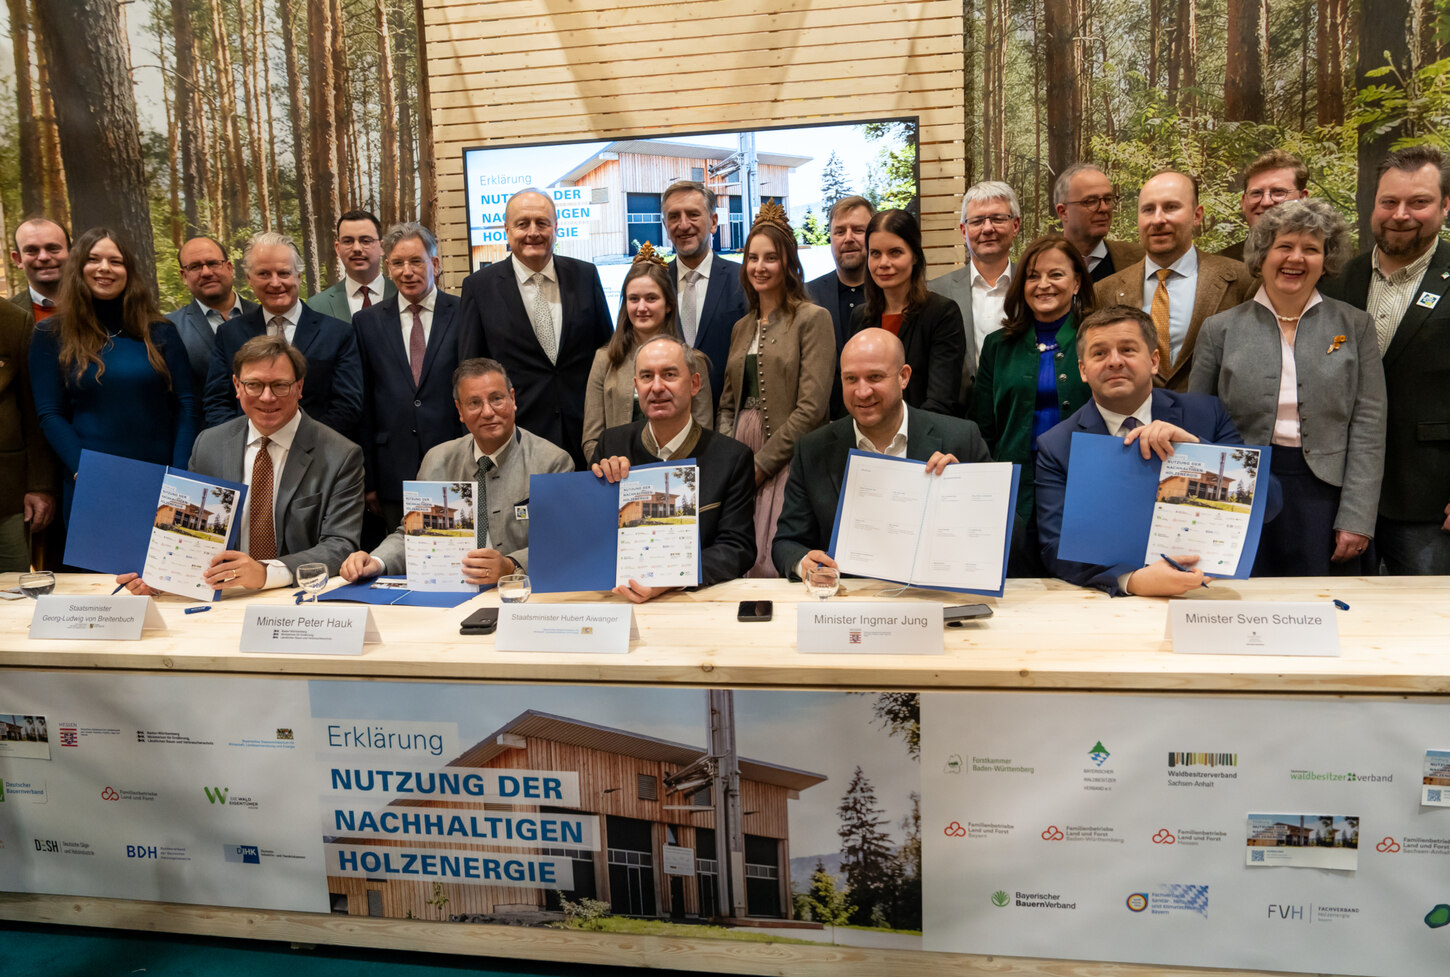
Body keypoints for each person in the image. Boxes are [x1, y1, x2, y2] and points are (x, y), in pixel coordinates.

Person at [1190, 199, 1385, 576]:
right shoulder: (1220, 329)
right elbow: (1200, 425)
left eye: (1311, 249)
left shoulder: (1355, 326)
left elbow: (1369, 426)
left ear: (1325, 260)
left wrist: (1358, 516)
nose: (1296, 258)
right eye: (1285, 246)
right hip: (1238, 492)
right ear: (1262, 255)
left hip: (1325, 497)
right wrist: (1205, 514)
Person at [1036, 306, 1280, 596]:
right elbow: (1055, 547)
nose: (1114, 362)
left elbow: (1270, 505)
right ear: (1082, 370)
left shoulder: (1206, 415)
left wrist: (1197, 450)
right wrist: (1131, 580)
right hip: (1111, 600)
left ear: (1153, 361)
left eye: (1127, 350)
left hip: (1209, 589)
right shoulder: (1057, 445)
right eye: (1099, 353)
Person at [118, 336, 364, 594]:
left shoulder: (341, 454)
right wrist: (161, 576)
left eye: (280, 385)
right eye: (254, 385)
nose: (267, 397)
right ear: (237, 386)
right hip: (223, 595)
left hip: (297, 596)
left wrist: (266, 572)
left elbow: (340, 545)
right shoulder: (208, 444)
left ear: (299, 386)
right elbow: (189, 534)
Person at [1321, 144, 1450, 574]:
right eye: (1389, 202)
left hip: (1427, 499)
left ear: (1445, 205)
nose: (1400, 214)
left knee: (1424, 627)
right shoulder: (1337, 280)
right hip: (1339, 496)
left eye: (1419, 202)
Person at [772, 329, 991, 579]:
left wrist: (968, 495)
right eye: (851, 379)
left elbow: (1014, 542)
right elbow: (786, 544)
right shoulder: (812, 450)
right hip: (849, 604)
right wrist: (803, 564)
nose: (862, 392)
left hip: (938, 600)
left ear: (903, 377)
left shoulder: (960, 438)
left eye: (875, 377)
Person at [340, 357, 573, 586]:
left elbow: (561, 541)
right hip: (452, 591)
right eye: (474, 403)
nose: (488, 412)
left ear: (512, 399)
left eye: (497, 399)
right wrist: (376, 561)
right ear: (459, 410)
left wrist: (511, 565)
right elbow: (414, 537)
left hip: (522, 590)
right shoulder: (438, 461)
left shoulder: (551, 463)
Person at [29, 228, 197, 521]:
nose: (104, 268)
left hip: (163, 483)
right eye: (93, 259)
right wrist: (85, 470)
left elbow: (187, 404)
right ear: (78, 268)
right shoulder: (50, 333)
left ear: (128, 272)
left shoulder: (160, 331)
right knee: (102, 570)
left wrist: (180, 474)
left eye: (115, 261)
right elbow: (49, 413)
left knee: (164, 567)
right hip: (92, 483)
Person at [455, 188, 613, 470]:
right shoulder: (479, 287)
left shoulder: (585, 275)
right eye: (522, 223)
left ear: (555, 228)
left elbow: (608, 352)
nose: (533, 232)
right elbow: (471, 369)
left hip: (587, 435)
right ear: (506, 229)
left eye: (542, 223)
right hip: (516, 441)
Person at [717, 201, 834, 577]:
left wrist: (761, 464)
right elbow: (727, 404)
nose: (759, 267)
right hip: (740, 450)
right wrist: (726, 462)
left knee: (776, 557)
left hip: (789, 455)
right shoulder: (740, 328)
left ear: (788, 264)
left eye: (771, 257)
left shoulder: (812, 319)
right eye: (752, 257)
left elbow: (812, 408)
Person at [590, 336, 755, 600]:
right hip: (618, 597)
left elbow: (737, 548)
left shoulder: (732, 457)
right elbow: (592, 538)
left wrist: (671, 580)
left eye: (669, 375)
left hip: (695, 601)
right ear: (636, 386)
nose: (656, 387)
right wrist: (603, 487)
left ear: (694, 383)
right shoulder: (612, 444)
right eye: (646, 377)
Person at [972, 234, 1095, 524]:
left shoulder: (1098, 340)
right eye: (1032, 276)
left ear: (1076, 282)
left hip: (1084, 479)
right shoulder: (997, 345)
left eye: (1056, 275)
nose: (1043, 285)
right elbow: (983, 428)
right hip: (1013, 485)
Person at [1095, 170, 1254, 390]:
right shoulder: (1104, 291)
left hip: (1213, 419)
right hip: (1136, 422)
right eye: (1148, 210)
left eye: (1171, 207)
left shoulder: (1241, 280)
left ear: (1197, 215)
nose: (1158, 219)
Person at [354, 222, 462, 532]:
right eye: (398, 263)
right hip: (392, 470)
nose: (407, 271)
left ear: (435, 264)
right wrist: (370, 479)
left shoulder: (464, 312)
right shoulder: (366, 323)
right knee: (401, 558)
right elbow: (365, 407)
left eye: (416, 261)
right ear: (388, 267)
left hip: (453, 462)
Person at [204, 232, 363, 438]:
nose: (275, 282)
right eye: (264, 274)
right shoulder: (229, 334)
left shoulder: (338, 333)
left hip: (316, 456)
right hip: (248, 456)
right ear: (250, 279)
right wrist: (244, 446)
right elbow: (217, 402)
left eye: (284, 273)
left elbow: (347, 405)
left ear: (298, 276)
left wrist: (299, 445)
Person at [581, 244, 713, 461]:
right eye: (634, 299)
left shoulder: (694, 361)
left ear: (668, 304)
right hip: (619, 479)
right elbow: (591, 438)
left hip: (677, 479)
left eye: (651, 298)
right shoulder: (605, 360)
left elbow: (704, 433)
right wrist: (606, 467)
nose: (641, 307)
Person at [848, 209, 966, 416]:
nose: (884, 263)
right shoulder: (861, 317)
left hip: (924, 438)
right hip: (869, 440)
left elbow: (941, 400)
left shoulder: (942, 314)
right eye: (875, 253)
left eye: (895, 252)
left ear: (914, 257)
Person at [929, 181, 1022, 403]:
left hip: (1021, 415)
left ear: (1015, 225)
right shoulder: (935, 292)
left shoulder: (1033, 285)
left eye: (998, 218)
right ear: (964, 231)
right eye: (977, 221)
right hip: (957, 419)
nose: (988, 228)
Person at [662, 181, 747, 407]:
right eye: (673, 217)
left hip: (729, 418)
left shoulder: (744, 280)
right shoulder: (653, 284)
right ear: (665, 225)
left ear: (713, 222)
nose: (683, 224)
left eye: (693, 214)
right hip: (667, 417)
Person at [166, 236, 257, 411]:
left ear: (229, 268)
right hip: (204, 434)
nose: (206, 272)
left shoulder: (264, 316)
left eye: (213, 263)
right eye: (195, 267)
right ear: (184, 276)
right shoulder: (171, 328)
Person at [0, 299, 57, 571]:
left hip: (6, 493)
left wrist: (40, 484)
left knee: (11, 593)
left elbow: (34, 412)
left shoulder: (13, 320)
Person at [806, 195, 875, 416]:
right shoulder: (806, 296)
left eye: (858, 230)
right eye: (839, 231)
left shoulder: (890, 294)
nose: (848, 238)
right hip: (823, 426)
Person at [1052, 164, 1144, 283]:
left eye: (1108, 199)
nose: (1104, 208)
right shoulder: (1040, 264)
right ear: (1063, 212)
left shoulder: (1138, 260)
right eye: (1091, 201)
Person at [1218, 150, 1309, 263]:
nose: (1266, 202)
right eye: (1256, 193)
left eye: (1278, 192)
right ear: (1243, 202)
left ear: (1303, 198)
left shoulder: (1332, 264)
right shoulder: (1219, 266)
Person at [306, 210, 396, 320]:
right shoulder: (317, 306)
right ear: (337, 248)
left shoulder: (404, 295)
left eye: (366, 241)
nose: (356, 248)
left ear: (382, 247)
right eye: (348, 241)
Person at [9, 217, 70, 321]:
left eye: (53, 248)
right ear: (18, 259)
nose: (43, 257)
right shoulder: (5, 314)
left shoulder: (100, 305)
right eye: (31, 250)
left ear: (71, 253)